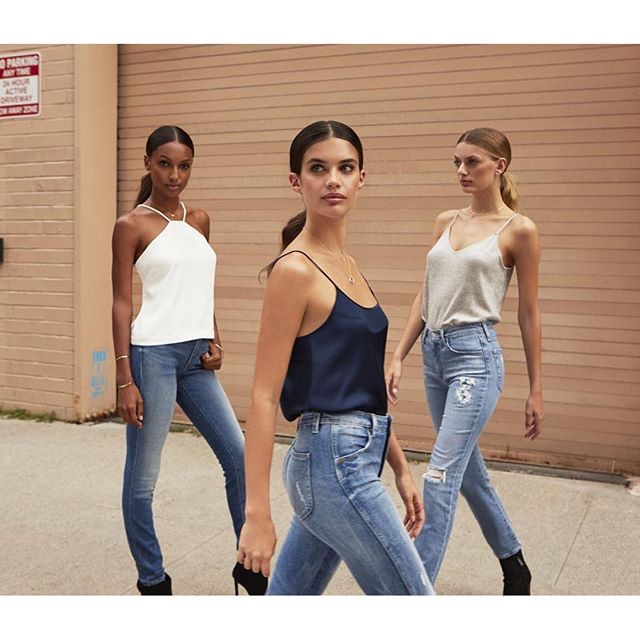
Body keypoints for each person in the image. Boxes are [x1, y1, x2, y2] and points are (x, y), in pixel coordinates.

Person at [236, 120, 434, 596]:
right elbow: (263, 396)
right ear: (296, 181)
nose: (333, 180)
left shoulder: (349, 267)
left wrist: (400, 466)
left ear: (361, 177)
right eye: (318, 169)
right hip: (331, 463)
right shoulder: (295, 270)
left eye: (345, 168)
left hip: (356, 457)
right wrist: (256, 514)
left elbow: (363, 383)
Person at [386, 127, 544, 595]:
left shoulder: (519, 230)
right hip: (434, 357)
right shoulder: (445, 221)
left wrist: (536, 389)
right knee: (467, 474)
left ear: (499, 166)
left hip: (475, 361)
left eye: (472, 162)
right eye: (457, 161)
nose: (461, 170)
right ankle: (515, 565)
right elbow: (425, 293)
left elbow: (529, 312)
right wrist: (398, 354)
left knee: (439, 476)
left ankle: (412, 593)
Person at [111, 125, 266, 596]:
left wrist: (214, 336)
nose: (174, 174)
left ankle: (250, 567)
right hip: (151, 357)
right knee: (143, 479)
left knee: (239, 458)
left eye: (184, 165)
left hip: (196, 357)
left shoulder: (198, 219)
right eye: (164, 163)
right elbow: (120, 302)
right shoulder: (131, 225)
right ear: (148, 163)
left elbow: (201, 287)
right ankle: (152, 580)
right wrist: (124, 378)